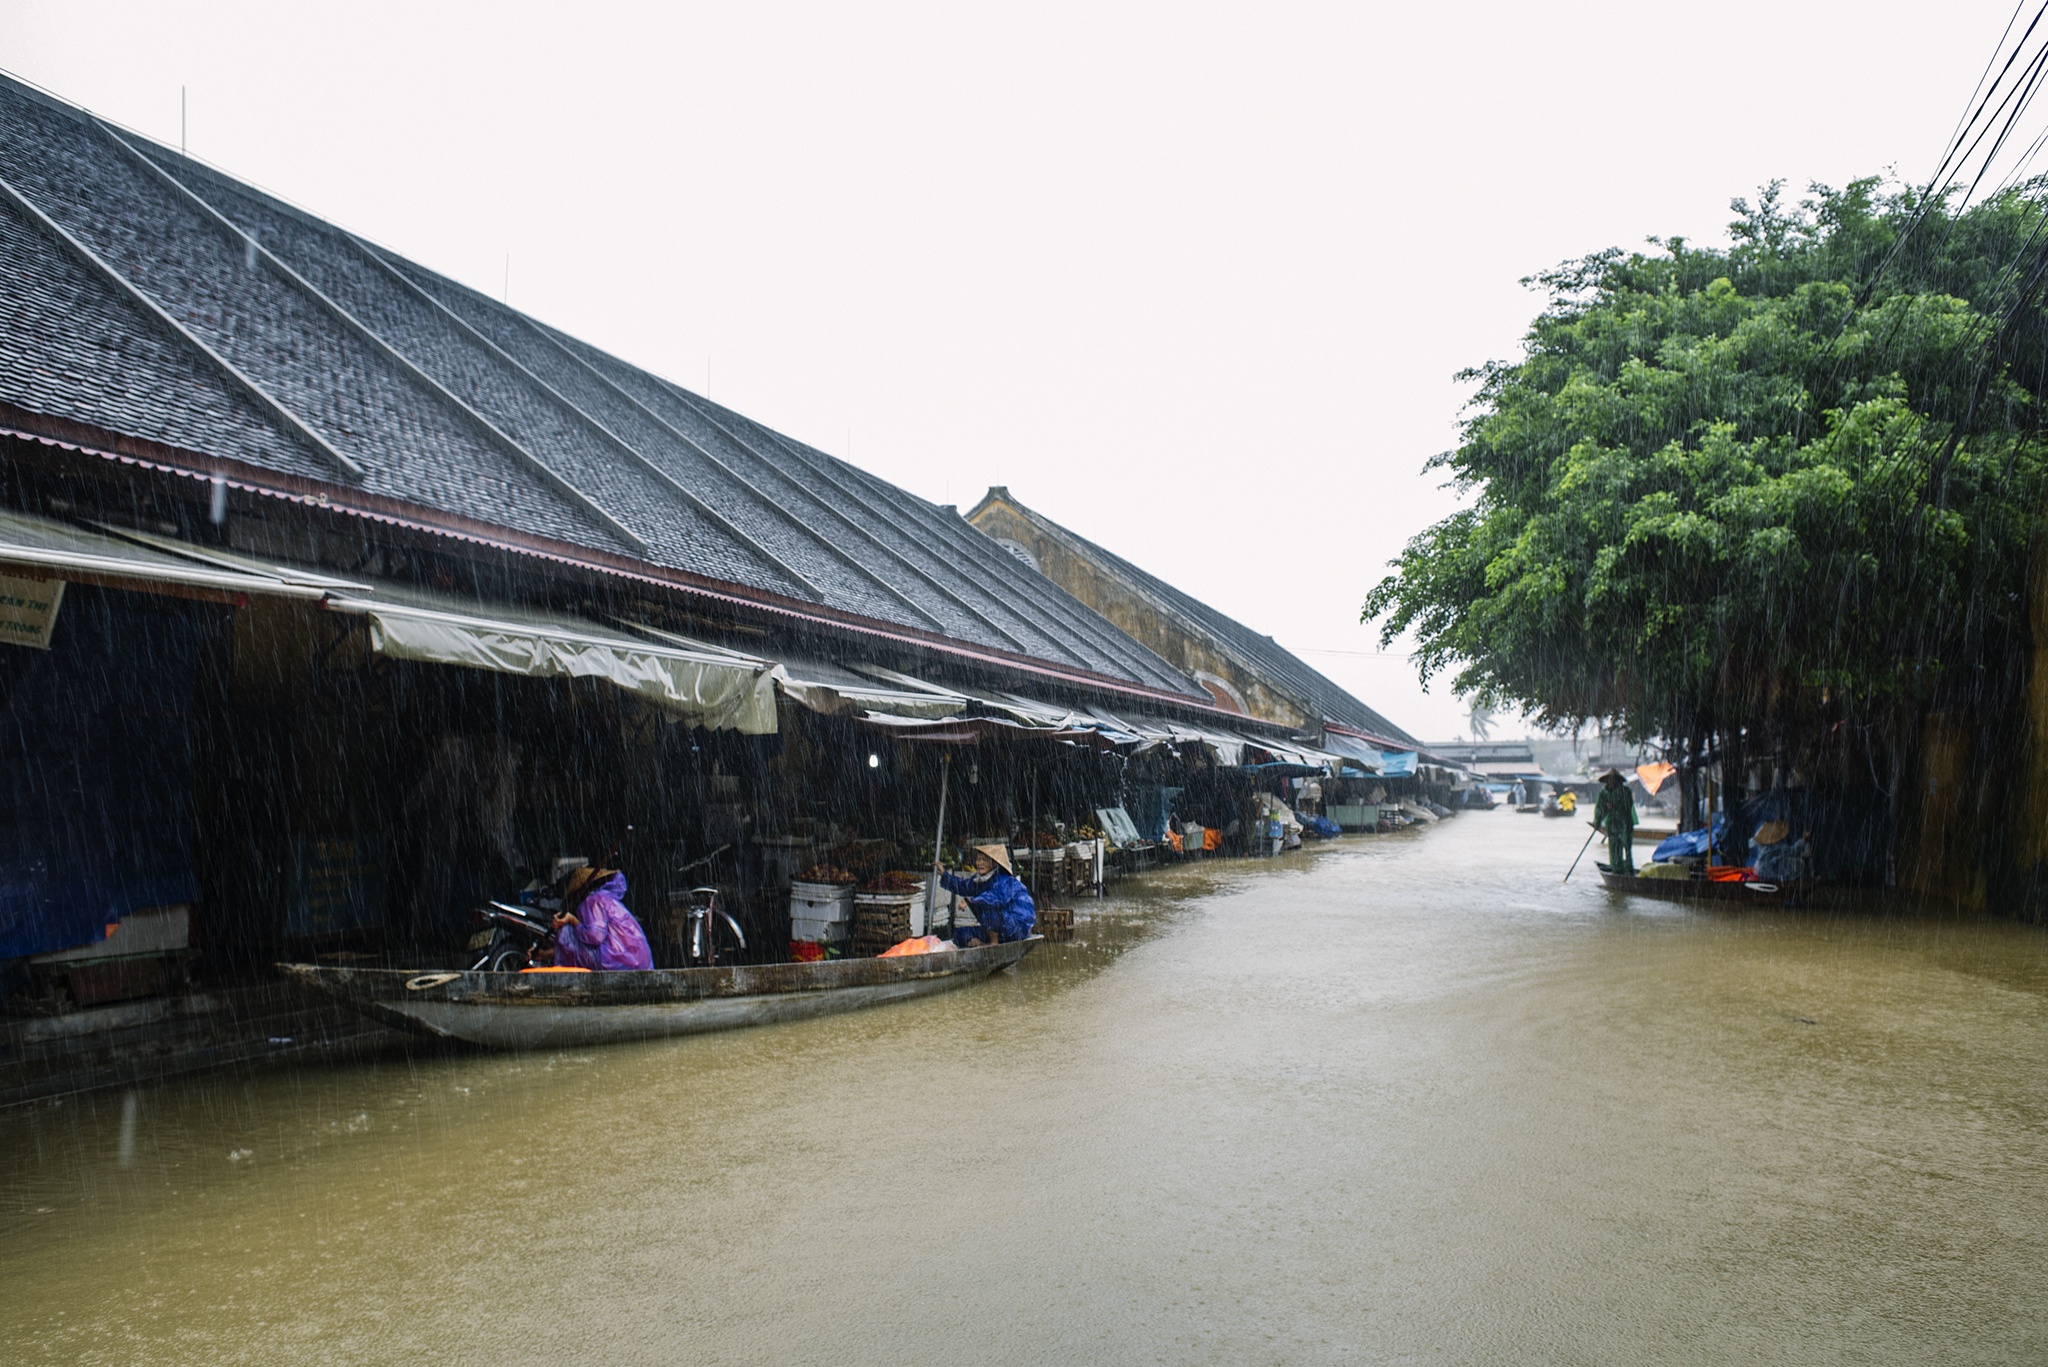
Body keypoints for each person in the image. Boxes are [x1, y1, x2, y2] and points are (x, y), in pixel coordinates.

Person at [552, 865, 654, 970]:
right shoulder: (606, 899)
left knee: (566, 932)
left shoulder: (593, 901)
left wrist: (571, 919)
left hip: (619, 960)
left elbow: (595, 936)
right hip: (637, 961)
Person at [934, 843, 1036, 948]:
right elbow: (963, 886)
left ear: (994, 863)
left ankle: (993, 943)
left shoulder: (1006, 879)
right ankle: (982, 945)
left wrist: (971, 900)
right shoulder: (981, 879)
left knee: (989, 906)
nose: (980, 863)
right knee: (960, 934)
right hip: (999, 929)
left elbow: (995, 898)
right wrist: (944, 874)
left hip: (1017, 928)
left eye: (984, 860)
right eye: (978, 859)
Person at [1593, 769, 1636, 876]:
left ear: (1617, 780)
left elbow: (1628, 805)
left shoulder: (1625, 791)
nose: (1611, 781)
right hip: (1611, 823)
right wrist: (1597, 821)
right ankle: (1617, 868)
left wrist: (1615, 806)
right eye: (1609, 779)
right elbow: (1600, 808)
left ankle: (1628, 868)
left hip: (1624, 822)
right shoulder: (1604, 793)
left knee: (1626, 846)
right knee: (1614, 846)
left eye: (1613, 779)